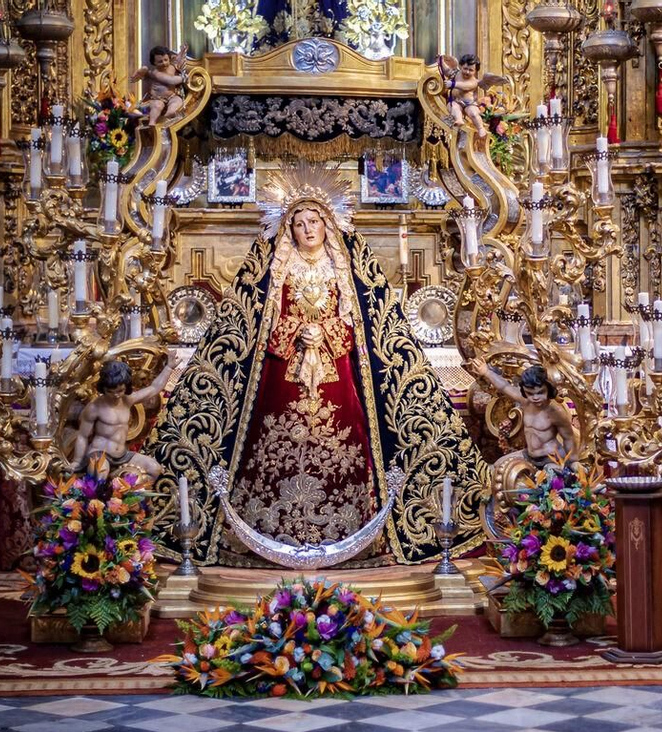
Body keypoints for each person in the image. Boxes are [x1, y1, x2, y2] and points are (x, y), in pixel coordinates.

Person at [145, 164, 488, 566]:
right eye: (299, 223)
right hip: (282, 374)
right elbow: (257, 325)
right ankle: (267, 526)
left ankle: (352, 526)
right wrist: (294, 334)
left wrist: (327, 332)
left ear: (328, 223)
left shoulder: (345, 267)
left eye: (315, 221)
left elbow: (365, 326)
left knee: (347, 436)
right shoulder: (276, 269)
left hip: (336, 372)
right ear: (287, 229)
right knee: (270, 440)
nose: (308, 230)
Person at [71, 357, 174, 480]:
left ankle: (130, 496)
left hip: (122, 455)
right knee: (100, 473)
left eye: (120, 391)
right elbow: (83, 435)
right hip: (99, 454)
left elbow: (154, 389)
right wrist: (77, 462)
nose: (116, 395)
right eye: (110, 391)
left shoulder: (128, 400)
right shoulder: (94, 407)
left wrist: (168, 368)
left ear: (126, 387)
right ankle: (98, 497)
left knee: (154, 469)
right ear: (103, 388)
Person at [464, 361, 577, 466]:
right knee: (499, 465)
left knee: (549, 474)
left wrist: (571, 463)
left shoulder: (555, 411)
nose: (535, 398)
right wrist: (487, 372)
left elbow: (568, 438)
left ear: (549, 389)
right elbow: (505, 386)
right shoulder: (525, 402)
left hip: (552, 458)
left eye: (540, 393)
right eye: (530, 393)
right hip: (529, 455)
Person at [130, 46, 187, 126]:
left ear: (169, 59)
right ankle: (152, 123)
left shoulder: (172, 67)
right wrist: (183, 78)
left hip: (172, 96)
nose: (164, 63)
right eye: (160, 61)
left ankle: (169, 114)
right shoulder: (156, 73)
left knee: (177, 101)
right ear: (154, 63)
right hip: (158, 98)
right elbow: (171, 80)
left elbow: (178, 60)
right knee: (157, 106)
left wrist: (182, 52)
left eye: (166, 60)